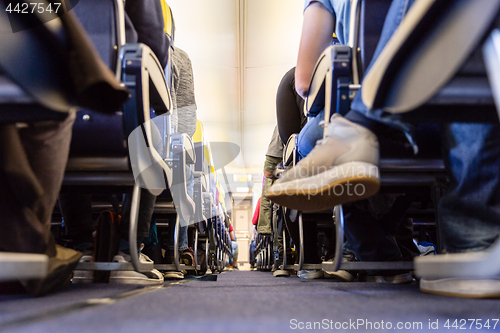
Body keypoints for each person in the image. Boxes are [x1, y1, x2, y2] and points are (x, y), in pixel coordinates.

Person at [270, 0, 500, 296]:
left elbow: (303, 83)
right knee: (472, 60)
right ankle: (473, 241)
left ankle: (359, 127)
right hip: (451, 118)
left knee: (321, 147)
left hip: (357, 112)